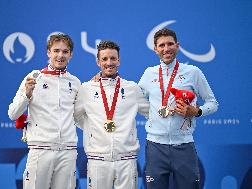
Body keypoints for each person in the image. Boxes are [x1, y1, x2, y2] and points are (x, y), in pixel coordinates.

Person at [139, 28, 218, 189]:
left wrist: (197, 111)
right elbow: (133, 99)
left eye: (170, 44)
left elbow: (213, 103)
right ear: (155, 49)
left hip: (184, 146)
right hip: (155, 146)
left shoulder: (193, 72)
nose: (166, 49)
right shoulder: (149, 74)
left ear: (178, 46)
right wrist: (152, 115)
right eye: (161, 45)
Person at [8, 33, 80, 189]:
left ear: (71, 54)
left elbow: (80, 117)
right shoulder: (34, 77)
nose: (60, 55)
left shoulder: (75, 82)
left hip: (67, 152)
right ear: (48, 52)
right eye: (56, 50)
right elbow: (13, 113)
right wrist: (27, 95)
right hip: (40, 151)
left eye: (65, 51)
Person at [74, 40, 149, 189]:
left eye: (113, 58)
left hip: (126, 159)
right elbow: (74, 116)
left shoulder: (132, 88)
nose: (109, 63)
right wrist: (93, 129)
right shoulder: (86, 88)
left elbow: (152, 114)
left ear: (119, 60)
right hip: (97, 159)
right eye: (104, 59)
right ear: (98, 62)